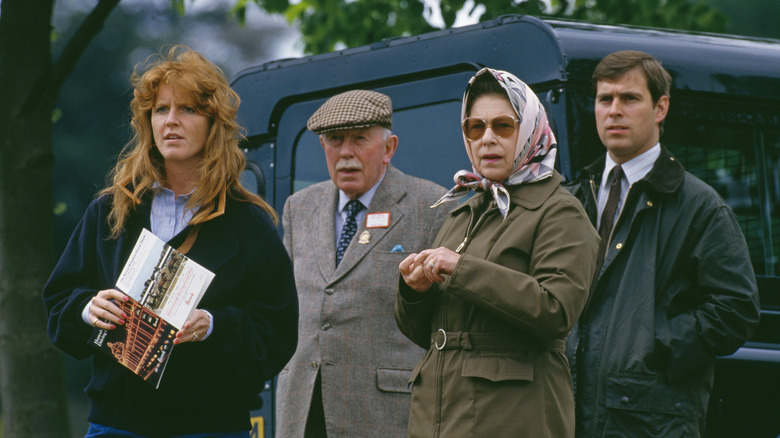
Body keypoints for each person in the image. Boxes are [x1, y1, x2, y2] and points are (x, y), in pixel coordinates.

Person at [43, 46, 298, 437]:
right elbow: (59, 303)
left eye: (188, 110)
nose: (171, 122)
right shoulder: (111, 211)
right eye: (161, 110)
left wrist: (214, 325)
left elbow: (278, 334)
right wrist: (86, 309)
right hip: (116, 425)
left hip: (210, 427)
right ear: (147, 122)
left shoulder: (249, 223)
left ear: (214, 123)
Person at [565, 50, 761, 437]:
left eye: (629, 98)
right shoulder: (572, 198)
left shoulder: (700, 206)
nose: (614, 110)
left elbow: (737, 309)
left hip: (650, 421)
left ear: (660, 108)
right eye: (605, 99)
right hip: (565, 413)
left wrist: (651, 348)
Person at [396, 68, 599, 437]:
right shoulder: (466, 209)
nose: (487, 138)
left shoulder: (560, 210)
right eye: (475, 127)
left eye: (503, 126)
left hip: (511, 419)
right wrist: (414, 292)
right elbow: (429, 335)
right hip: (439, 418)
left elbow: (556, 311)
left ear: (531, 131)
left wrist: (461, 269)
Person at [275, 89, 448, 437]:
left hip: (387, 412)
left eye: (359, 139)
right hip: (302, 410)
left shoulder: (432, 205)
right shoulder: (300, 207)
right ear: (323, 147)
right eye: (335, 140)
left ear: (389, 148)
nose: (346, 153)